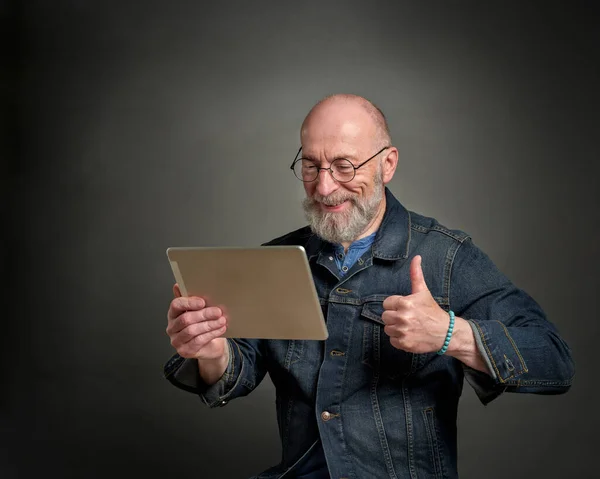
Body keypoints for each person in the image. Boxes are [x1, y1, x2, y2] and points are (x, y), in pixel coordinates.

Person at [163, 94, 574, 479]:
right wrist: (211, 350)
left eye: (345, 166)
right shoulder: (277, 259)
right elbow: (237, 370)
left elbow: (554, 361)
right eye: (310, 166)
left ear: (388, 163)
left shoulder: (446, 256)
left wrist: (452, 334)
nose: (324, 187)